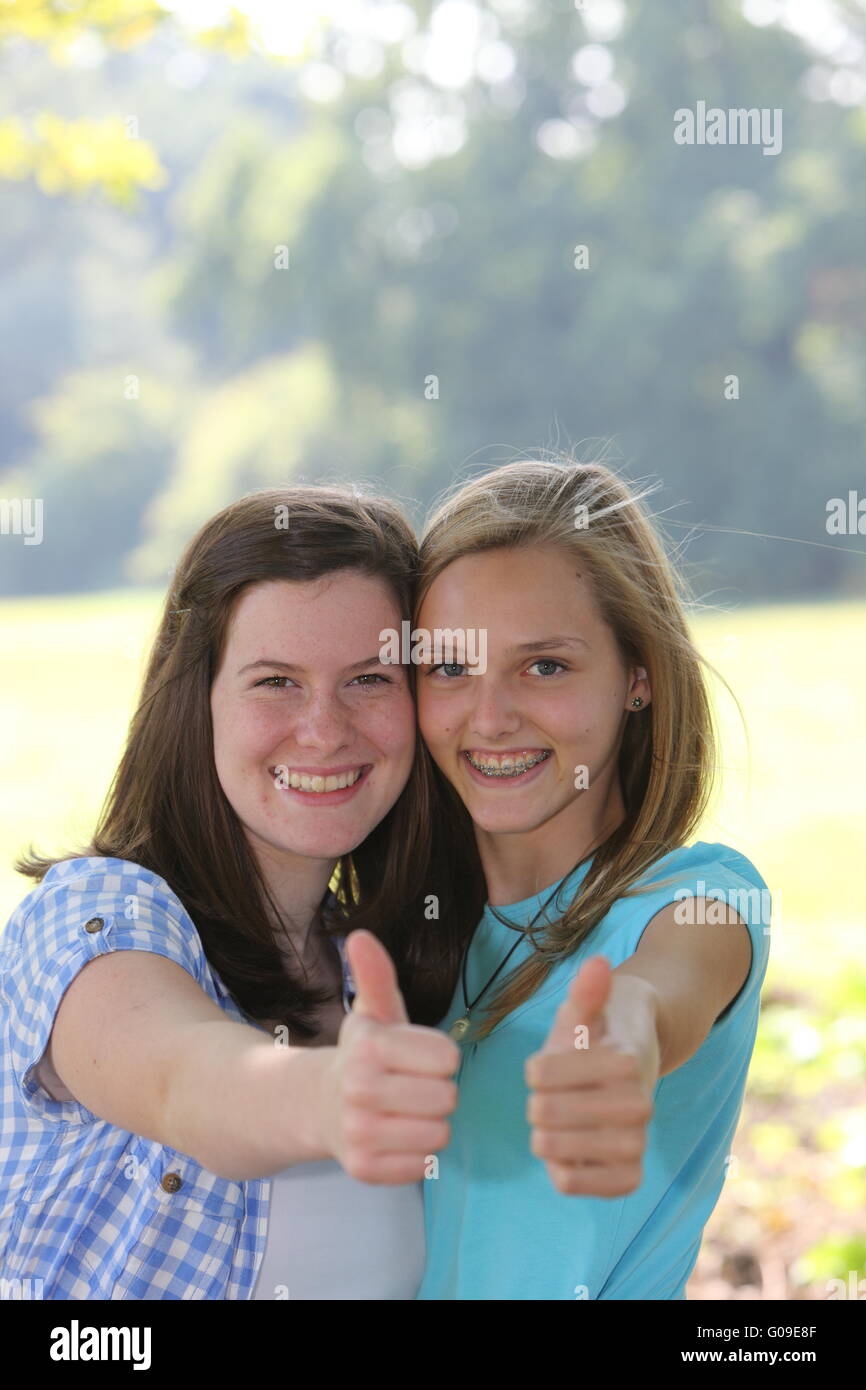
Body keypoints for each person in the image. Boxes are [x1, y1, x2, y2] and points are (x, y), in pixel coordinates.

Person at [0, 484, 468, 1301]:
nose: (325, 729)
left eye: (369, 679)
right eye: (275, 681)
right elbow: (187, 1082)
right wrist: (331, 1097)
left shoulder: (378, 968)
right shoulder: (96, 914)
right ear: (197, 702)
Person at [409, 455, 772, 1300]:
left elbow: (653, 997)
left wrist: (618, 1046)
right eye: (451, 668)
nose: (490, 717)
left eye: (545, 666)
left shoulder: (697, 903)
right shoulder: (397, 926)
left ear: (637, 677)